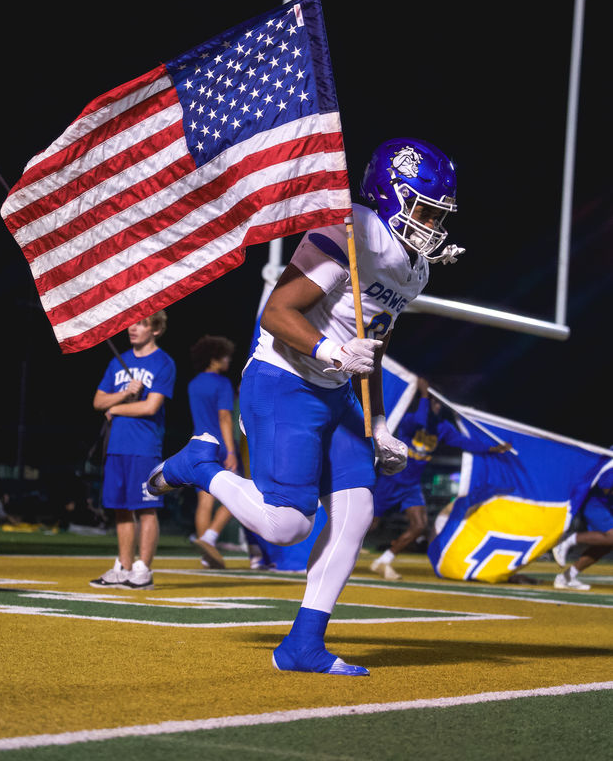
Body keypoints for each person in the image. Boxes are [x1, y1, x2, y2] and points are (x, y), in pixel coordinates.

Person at [146, 138, 464, 675]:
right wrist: (332, 351)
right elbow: (277, 312)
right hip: (285, 380)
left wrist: (379, 419)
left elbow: (373, 343)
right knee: (286, 526)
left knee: (357, 509)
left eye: (438, 213)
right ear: (391, 194)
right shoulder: (352, 229)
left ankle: (302, 644)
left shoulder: (414, 268)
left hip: (335, 391)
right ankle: (196, 466)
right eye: (424, 208)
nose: (432, 224)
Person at [369, 377, 512, 580]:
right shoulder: (410, 419)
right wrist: (425, 395)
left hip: (411, 486)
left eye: (438, 403)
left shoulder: (443, 428)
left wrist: (492, 448)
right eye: (434, 402)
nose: (437, 407)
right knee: (369, 524)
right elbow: (420, 420)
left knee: (419, 526)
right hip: (391, 479)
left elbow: (465, 443)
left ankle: (384, 560)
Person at [89, 311, 176, 589]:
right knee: (121, 509)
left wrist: (116, 408)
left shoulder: (164, 362)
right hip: (117, 447)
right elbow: (98, 401)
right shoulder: (119, 361)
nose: (133, 328)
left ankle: (143, 571)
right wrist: (125, 394)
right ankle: (124, 568)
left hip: (144, 447)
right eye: (131, 323)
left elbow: (151, 406)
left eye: (141, 323)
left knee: (146, 508)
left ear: (156, 329)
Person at [187, 335, 239, 568]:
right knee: (236, 497)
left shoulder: (193, 383)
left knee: (204, 501)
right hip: (220, 445)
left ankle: (207, 555)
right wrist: (230, 451)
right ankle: (210, 538)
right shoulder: (222, 383)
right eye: (225, 356)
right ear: (214, 358)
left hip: (198, 444)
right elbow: (224, 416)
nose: (228, 360)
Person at [552, 463, 613, 590]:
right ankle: (567, 539)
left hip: (606, 503)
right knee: (611, 537)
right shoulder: (610, 459)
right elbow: (605, 485)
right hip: (596, 501)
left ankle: (567, 577)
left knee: (608, 544)